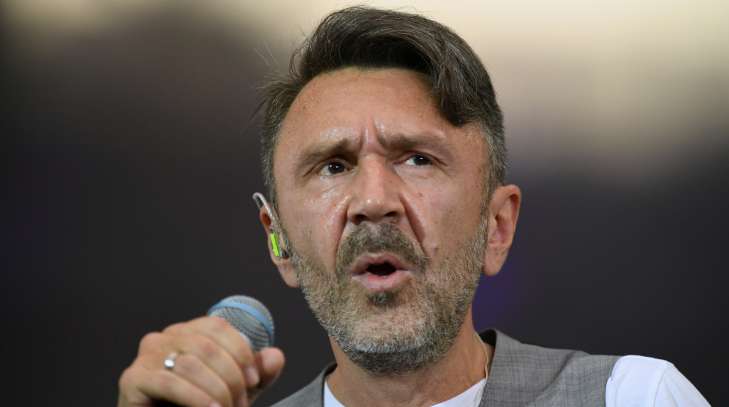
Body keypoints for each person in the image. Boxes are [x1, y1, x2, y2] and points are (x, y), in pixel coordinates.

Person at [117, 6, 709, 407]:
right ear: (279, 241)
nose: (374, 201)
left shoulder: (633, 396)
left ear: (498, 227)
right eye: (333, 166)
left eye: (417, 159)